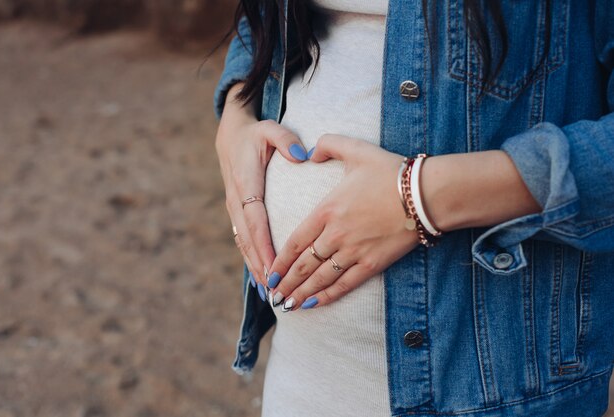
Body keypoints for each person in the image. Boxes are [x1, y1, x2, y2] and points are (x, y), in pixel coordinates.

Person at [213, 1, 614, 416]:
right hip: (302, 376)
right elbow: (260, 17)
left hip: (489, 393)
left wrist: (420, 198)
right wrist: (237, 113)